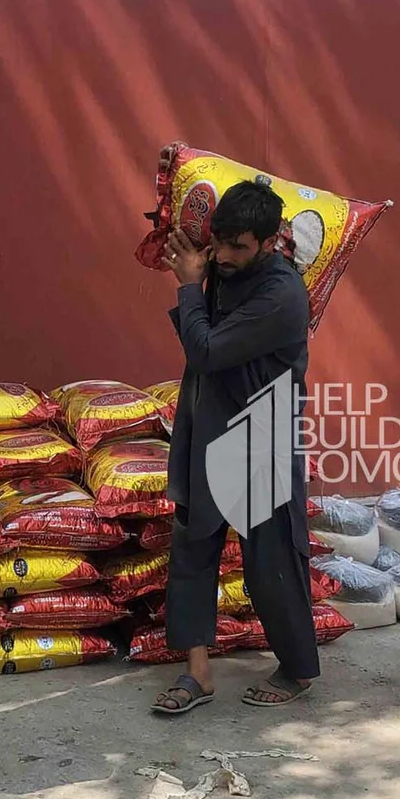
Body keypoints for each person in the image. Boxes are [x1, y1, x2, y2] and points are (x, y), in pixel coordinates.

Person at [151, 179, 319, 714]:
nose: (223, 255)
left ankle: (295, 667)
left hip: (260, 436)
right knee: (193, 552)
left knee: (270, 563)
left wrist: (187, 288)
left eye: (238, 247)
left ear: (269, 243)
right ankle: (197, 673)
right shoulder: (221, 266)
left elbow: (207, 349)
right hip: (207, 426)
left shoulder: (282, 295)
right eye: (218, 241)